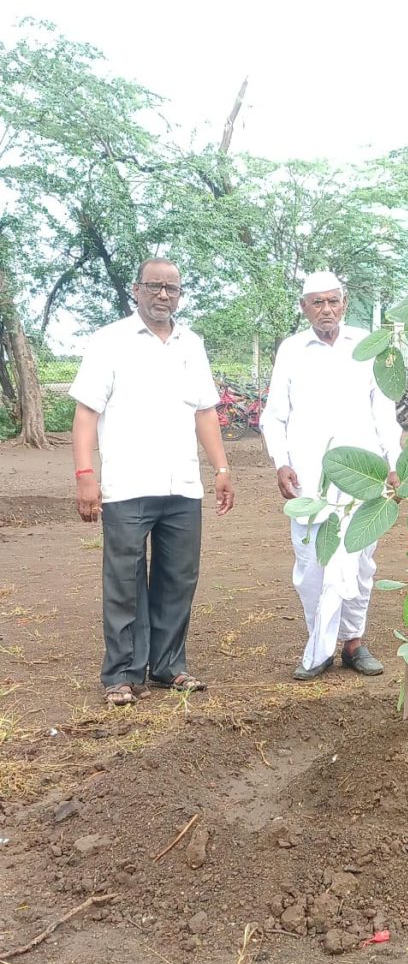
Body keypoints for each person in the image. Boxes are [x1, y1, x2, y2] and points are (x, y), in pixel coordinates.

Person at [70, 258, 235, 707]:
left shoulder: (191, 343)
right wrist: (86, 476)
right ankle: (121, 674)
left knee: (178, 578)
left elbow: (204, 411)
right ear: (136, 289)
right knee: (124, 580)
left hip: (182, 485)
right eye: (155, 287)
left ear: (180, 295)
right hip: (126, 485)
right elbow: (87, 413)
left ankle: (167, 666)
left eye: (172, 289)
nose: (163, 295)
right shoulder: (110, 341)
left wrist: (220, 468)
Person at [260, 270, 402, 681]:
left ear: (345, 302)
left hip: (364, 476)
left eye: (333, 301)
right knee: (311, 567)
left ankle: (351, 644)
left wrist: (394, 463)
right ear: (304, 308)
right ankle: (318, 644)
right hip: (308, 479)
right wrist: (280, 462)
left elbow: (384, 413)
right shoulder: (291, 350)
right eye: (317, 302)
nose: (327, 309)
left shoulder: (368, 346)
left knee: (359, 565)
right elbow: (274, 416)